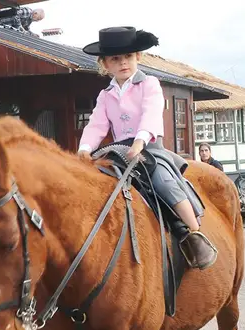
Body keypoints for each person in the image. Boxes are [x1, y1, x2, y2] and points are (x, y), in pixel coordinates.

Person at [77, 27, 217, 270]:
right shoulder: (105, 95)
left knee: (162, 180)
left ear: (138, 57)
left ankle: (195, 233)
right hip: (119, 151)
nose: (123, 63)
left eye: (128, 57)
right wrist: (85, 148)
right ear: (105, 64)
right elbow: (97, 123)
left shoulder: (149, 84)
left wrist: (141, 140)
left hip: (150, 148)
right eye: (115, 59)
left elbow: (151, 113)